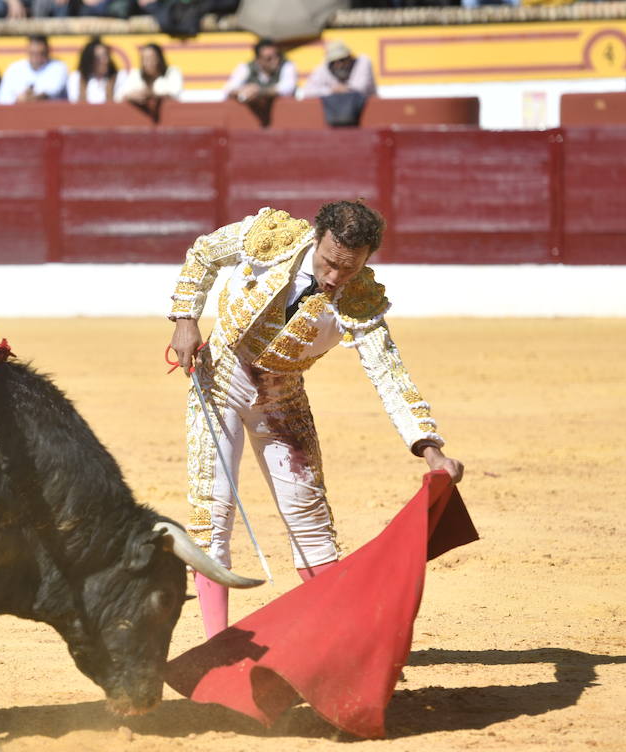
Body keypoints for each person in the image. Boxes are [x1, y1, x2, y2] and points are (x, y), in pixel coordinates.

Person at [165, 200, 464, 637]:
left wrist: (430, 449)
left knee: (309, 516)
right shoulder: (270, 239)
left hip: (282, 397)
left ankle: (337, 642)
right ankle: (216, 642)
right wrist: (186, 318)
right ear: (315, 238)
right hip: (221, 378)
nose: (334, 278)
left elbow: (389, 373)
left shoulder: (360, 299)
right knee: (213, 512)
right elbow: (205, 253)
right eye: (328, 263)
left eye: (349, 269)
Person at [222, 39, 296, 124]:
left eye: (277, 56)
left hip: (285, 120)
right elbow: (228, 89)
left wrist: (259, 91)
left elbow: (288, 88)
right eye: (269, 58)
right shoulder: (246, 67)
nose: (275, 61)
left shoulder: (287, 65)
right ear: (258, 60)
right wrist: (244, 91)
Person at [0, 34, 68, 105]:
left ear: (48, 51)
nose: (37, 58)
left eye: (41, 53)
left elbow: (51, 93)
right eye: (33, 54)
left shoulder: (58, 67)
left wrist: (28, 99)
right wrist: (18, 99)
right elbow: (1, 99)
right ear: (27, 51)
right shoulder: (14, 69)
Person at [117, 42, 183, 117]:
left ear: (159, 59)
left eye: (152, 58)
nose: (149, 62)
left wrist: (151, 94)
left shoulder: (172, 72)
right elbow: (120, 96)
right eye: (145, 59)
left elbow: (174, 94)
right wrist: (131, 96)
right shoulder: (136, 74)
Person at [302, 39, 376, 99]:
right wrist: (331, 91)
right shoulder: (324, 68)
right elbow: (307, 92)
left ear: (349, 57)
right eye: (334, 61)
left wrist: (343, 90)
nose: (339, 65)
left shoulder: (362, 61)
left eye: (342, 60)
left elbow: (360, 89)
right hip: (336, 113)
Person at [68, 38, 125, 105]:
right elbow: (74, 103)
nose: (105, 61)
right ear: (89, 60)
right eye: (99, 58)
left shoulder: (119, 77)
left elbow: (120, 102)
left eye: (106, 55)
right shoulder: (76, 78)